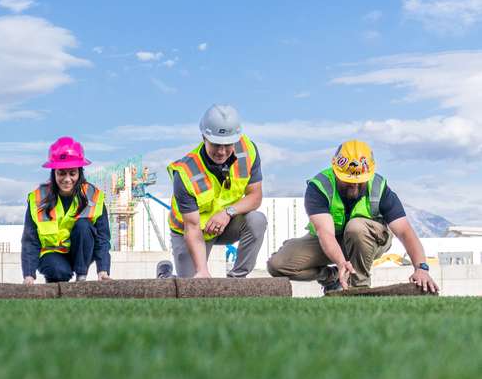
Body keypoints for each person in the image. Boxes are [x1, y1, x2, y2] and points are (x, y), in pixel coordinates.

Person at [266, 140, 438, 293]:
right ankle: (331, 278)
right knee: (277, 265)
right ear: (335, 170)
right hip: (331, 240)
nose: (354, 185)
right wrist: (341, 263)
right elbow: (325, 233)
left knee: (355, 228)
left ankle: (359, 286)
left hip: (370, 240)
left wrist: (421, 268)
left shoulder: (379, 187)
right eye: (348, 180)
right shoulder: (319, 187)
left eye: (359, 180)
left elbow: (405, 232)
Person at [167, 104, 268, 278]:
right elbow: (192, 227)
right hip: (191, 230)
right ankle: (165, 275)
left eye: (228, 144)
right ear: (204, 137)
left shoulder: (248, 151)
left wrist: (227, 213)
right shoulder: (185, 173)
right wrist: (202, 271)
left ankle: (236, 280)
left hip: (224, 224)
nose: (221, 152)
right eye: (215, 144)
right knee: (192, 286)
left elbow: (255, 196)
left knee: (257, 220)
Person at [22, 137, 111, 284]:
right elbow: (30, 241)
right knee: (58, 271)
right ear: (54, 173)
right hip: (52, 254)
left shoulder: (93, 196)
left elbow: (102, 238)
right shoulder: (37, 198)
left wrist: (103, 270)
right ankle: (56, 278)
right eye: (62, 173)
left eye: (72, 173)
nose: (67, 179)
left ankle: (81, 278)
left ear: (79, 173)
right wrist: (29, 275)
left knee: (84, 225)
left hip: (82, 254)